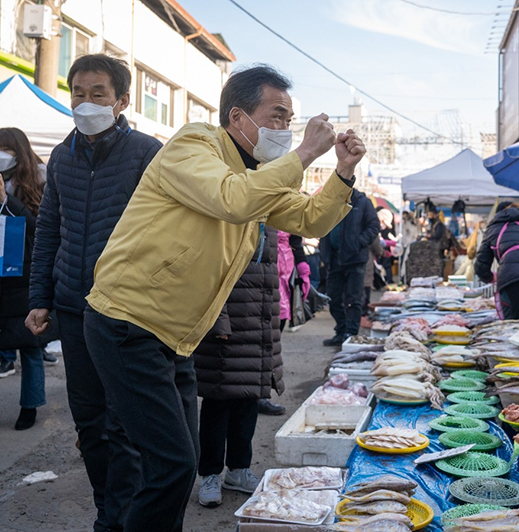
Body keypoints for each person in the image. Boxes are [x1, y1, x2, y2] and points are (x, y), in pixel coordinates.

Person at [75, 65, 365, 532]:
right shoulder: (195, 145)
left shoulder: (256, 175)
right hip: (127, 322)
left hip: (175, 335)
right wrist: (308, 151)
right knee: (171, 463)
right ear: (238, 116)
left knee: (174, 464)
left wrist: (343, 174)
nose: (284, 129)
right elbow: (231, 198)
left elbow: (310, 219)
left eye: (289, 119)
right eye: (276, 116)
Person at [26, 54, 160, 532]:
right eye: (77, 93)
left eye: (97, 93)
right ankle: (109, 507)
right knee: (89, 421)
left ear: (122, 101)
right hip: (72, 309)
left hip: (126, 311)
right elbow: (48, 231)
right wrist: (39, 298)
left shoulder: (148, 153)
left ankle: (119, 518)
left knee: (123, 422)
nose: (85, 102)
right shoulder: (61, 156)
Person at [192, 225, 284, 508]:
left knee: (248, 400)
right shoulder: (226, 215)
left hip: (258, 325)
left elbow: (269, 276)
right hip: (228, 327)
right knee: (217, 403)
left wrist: (272, 324)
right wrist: (218, 320)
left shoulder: (268, 221)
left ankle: (239, 470)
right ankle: (209, 474)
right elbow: (208, 269)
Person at [0, 130, 46, 430]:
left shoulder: (38, 180)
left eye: (5, 149)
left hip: (26, 275)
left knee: (29, 346)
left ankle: (29, 405)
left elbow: (40, 227)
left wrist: (7, 201)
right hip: (1, 274)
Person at [319, 188, 379, 347]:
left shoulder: (362, 202)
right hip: (333, 258)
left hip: (355, 258)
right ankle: (341, 330)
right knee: (333, 298)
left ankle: (351, 334)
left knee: (354, 299)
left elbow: (373, 226)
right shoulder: (330, 200)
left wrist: (358, 243)